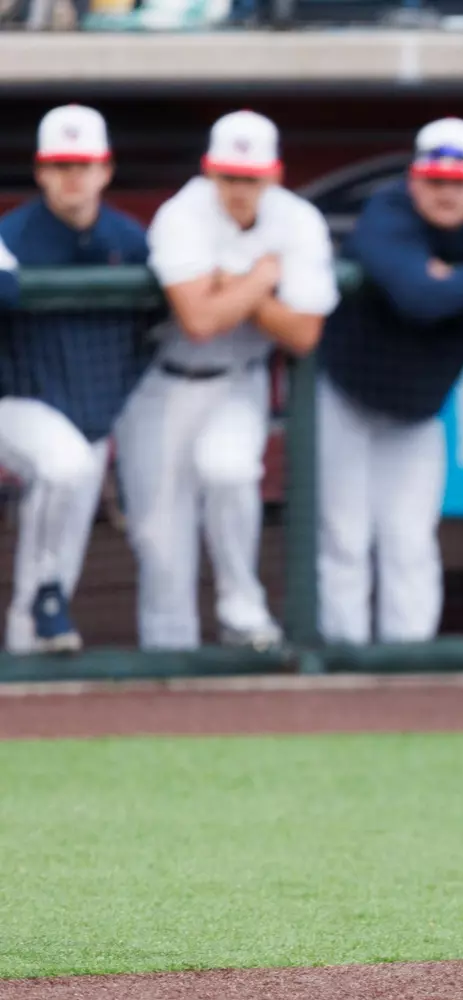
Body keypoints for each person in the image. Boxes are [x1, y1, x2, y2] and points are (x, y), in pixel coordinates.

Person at [317, 118, 463, 645]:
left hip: (420, 407)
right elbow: (416, 296)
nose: (447, 194)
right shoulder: (388, 210)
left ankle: (406, 661)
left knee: (409, 538)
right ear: (415, 180)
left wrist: (451, 289)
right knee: (345, 537)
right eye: (436, 181)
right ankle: (341, 659)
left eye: (459, 182)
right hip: (347, 391)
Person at [116, 110, 338, 651]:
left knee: (231, 470)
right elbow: (197, 321)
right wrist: (263, 280)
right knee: (160, 539)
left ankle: (242, 607)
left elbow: (304, 333)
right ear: (209, 171)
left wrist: (239, 289)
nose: (239, 189)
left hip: (239, 377)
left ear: (274, 174)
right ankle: (170, 664)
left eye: (251, 177)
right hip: (160, 382)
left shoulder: (298, 219)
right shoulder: (183, 213)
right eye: (229, 176)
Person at [0, 105, 150, 654]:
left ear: (105, 170)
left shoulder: (129, 240)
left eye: (82, 165)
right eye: (60, 165)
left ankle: (29, 646)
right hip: (17, 401)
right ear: (41, 171)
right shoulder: (12, 233)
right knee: (63, 468)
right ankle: (44, 596)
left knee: (68, 531)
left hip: (92, 407)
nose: (72, 177)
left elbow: (155, 325)